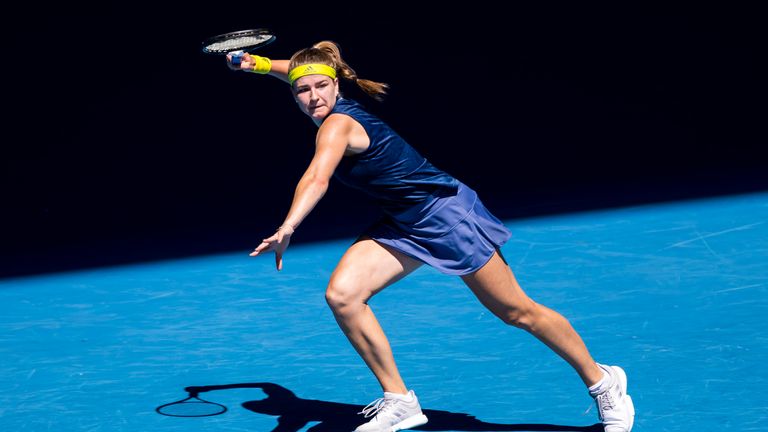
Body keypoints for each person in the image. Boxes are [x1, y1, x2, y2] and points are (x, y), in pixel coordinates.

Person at [227, 41, 635, 432]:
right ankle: (400, 400)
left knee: (517, 312)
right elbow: (298, 71)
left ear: (336, 83)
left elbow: (317, 177)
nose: (313, 95)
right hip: (404, 223)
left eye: (321, 86)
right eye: (302, 89)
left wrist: (288, 226)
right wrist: (259, 65)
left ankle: (603, 381)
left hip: (446, 216)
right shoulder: (317, 92)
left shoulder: (336, 126)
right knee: (343, 296)